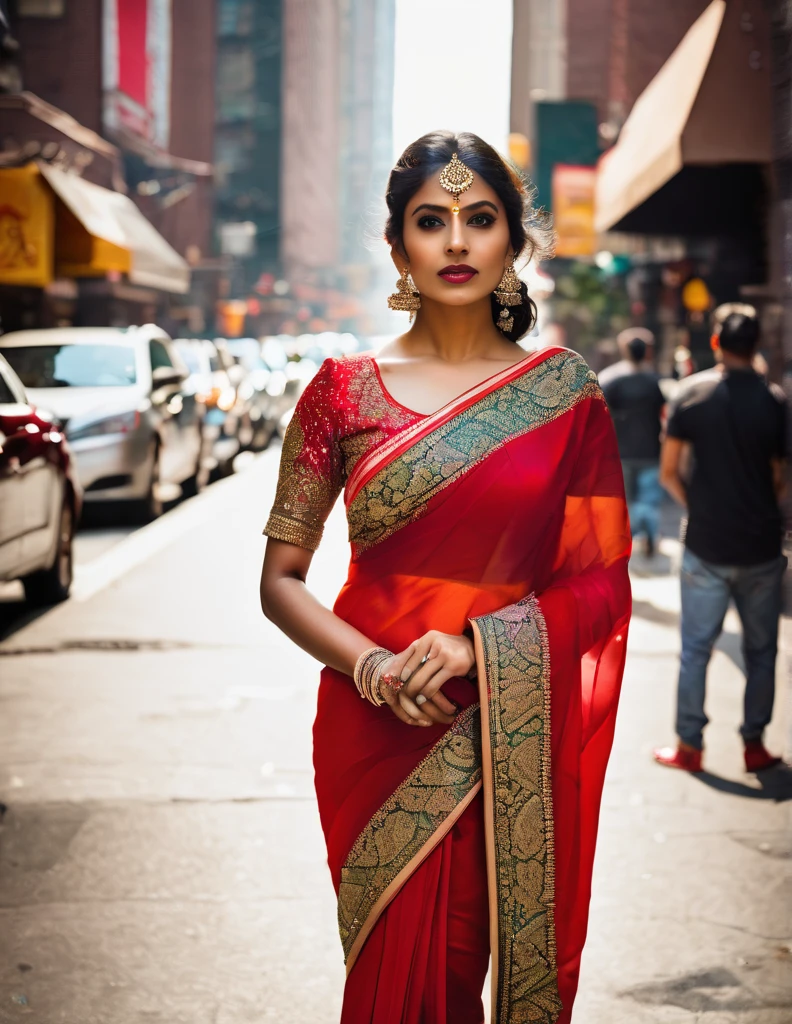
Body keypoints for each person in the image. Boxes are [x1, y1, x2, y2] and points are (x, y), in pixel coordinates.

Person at [259, 132, 631, 1024]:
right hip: (373, 725)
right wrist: (374, 669)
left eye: (480, 220)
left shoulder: (565, 395)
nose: (457, 242)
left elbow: (602, 584)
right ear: (398, 247)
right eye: (432, 222)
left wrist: (476, 651)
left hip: (495, 727)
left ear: (513, 242)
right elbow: (280, 580)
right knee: (389, 968)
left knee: (461, 962)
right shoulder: (341, 392)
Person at [655, 311, 787, 774]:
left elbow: (669, 472)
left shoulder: (692, 394)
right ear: (757, 345)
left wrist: (700, 506)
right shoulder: (774, 401)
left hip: (706, 545)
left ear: (715, 342)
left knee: (695, 651)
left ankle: (689, 747)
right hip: (762, 546)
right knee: (762, 653)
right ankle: (755, 745)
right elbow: (779, 478)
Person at [601, 328, 666, 557]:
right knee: (649, 499)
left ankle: (626, 542)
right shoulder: (656, 381)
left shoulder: (610, 379)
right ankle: (648, 535)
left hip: (621, 451)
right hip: (651, 449)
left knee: (624, 501)